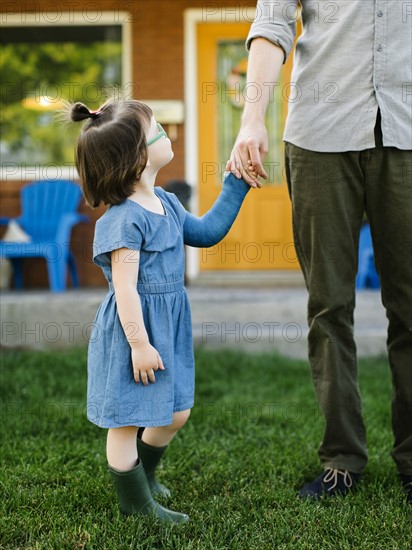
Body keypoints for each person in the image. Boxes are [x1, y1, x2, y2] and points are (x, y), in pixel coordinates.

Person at [228, 1, 412, 503]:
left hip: (408, 133)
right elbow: (272, 25)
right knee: (329, 307)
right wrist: (252, 118)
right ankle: (342, 460)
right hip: (319, 135)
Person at [69, 97, 250, 522]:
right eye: (159, 131)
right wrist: (139, 343)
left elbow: (205, 232)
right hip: (136, 331)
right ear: (138, 157)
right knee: (127, 422)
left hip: (166, 325)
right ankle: (137, 506)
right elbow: (127, 291)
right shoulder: (123, 220)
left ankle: (144, 479)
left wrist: (235, 184)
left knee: (175, 412)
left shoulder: (166, 203)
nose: (168, 134)